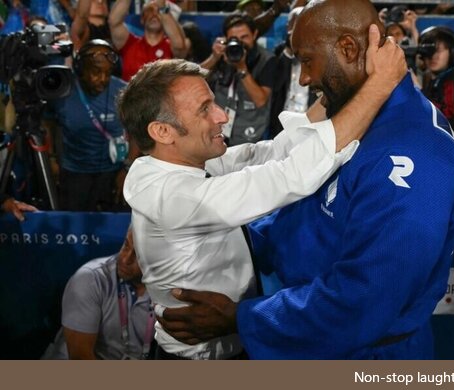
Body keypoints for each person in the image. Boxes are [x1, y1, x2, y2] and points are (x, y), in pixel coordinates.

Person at [157, 0, 454, 359]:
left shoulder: (415, 157)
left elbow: (361, 301)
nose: (305, 78)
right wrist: (210, 243)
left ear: (348, 49)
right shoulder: (353, 119)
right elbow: (304, 214)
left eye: (307, 60)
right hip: (307, 335)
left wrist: (242, 318)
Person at [119, 33, 406, 360]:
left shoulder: (179, 163)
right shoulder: (172, 197)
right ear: (162, 131)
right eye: (204, 110)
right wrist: (379, 84)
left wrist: (334, 86)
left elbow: (277, 151)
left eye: (214, 102)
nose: (222, 116)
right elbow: (291, 175)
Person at [42, 227, 155, 360]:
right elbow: (80, 357)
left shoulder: (174, 289)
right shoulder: (90, 279)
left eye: (139, 256)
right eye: (126, 245)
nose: (125, 259)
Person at [47, 39, 130, 211]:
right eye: (96, 72)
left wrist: (128, 169)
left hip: (114, 173)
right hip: (74, 176)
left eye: (108, 73)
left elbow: (137, 131)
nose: (103, 79)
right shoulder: (62, 91)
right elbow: (47, 124)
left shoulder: (123, 91)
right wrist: (51, 159)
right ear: (80, 69)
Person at [202, 13, 276, 145]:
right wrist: (213, 58)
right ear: (226, 38)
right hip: (219, 130)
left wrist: (242, 68)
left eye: (245, 37)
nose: (240, 43)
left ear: (254, 34)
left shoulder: (267, 60)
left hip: (249, 135)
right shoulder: (222, 54)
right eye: (234, 38)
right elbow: (194, 78)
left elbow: (260, 100)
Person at [419, 26, 454, 167]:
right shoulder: (435, 79)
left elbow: (446, 115)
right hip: (440, 156)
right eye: (430, 51)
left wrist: (419, 93)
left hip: (452, 161)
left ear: (452, 52)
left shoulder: (452, 81)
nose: (434, 56)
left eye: (439, 50)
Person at [108, 0, 187, 81]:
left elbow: (179, 46)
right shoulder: (129, 43)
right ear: (142, 19)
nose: (154, 14)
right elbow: (114, 22)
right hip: (132, 92)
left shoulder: (170, 46)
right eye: (150, 10)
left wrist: (162, 7)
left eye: (158, 11)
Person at [268, 6, 316, 138]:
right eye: (293, 25)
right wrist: (289, 51)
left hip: (310, 120)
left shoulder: (320, 53)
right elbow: (276, 85)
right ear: (288, 28)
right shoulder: (280, 53)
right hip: (283, 123)